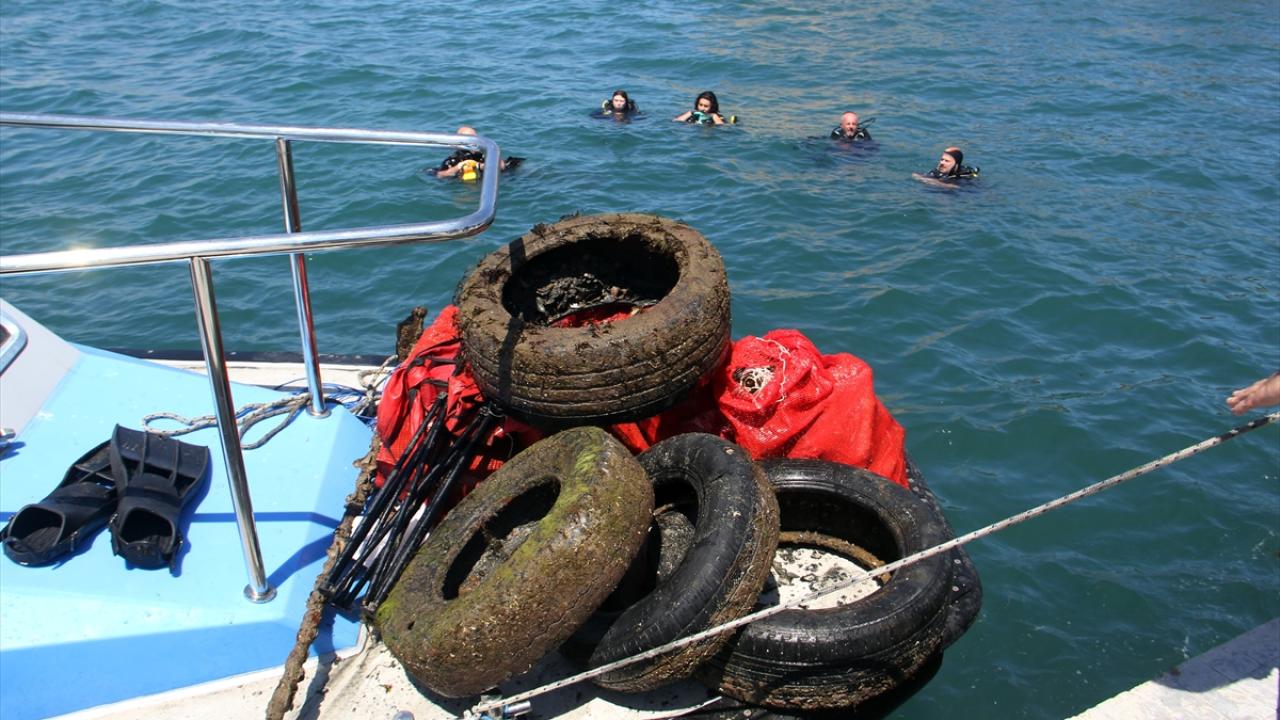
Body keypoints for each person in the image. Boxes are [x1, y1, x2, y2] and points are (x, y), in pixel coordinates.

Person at [435, 126, 522, 180]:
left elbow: (502, 166)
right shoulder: (453, 159)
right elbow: (440, 175)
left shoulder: (483, 153)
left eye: (474, 138)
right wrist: (458, 167)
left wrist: (481, 166)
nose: (473, 141)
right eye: (469, 138)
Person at [913, 146, 979, 186]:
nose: (942, 163)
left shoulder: (964, 178)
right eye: (942, 159)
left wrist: (925, 180)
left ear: (956, 165)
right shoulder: (937, 171)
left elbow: (953, 187)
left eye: (947, 161)